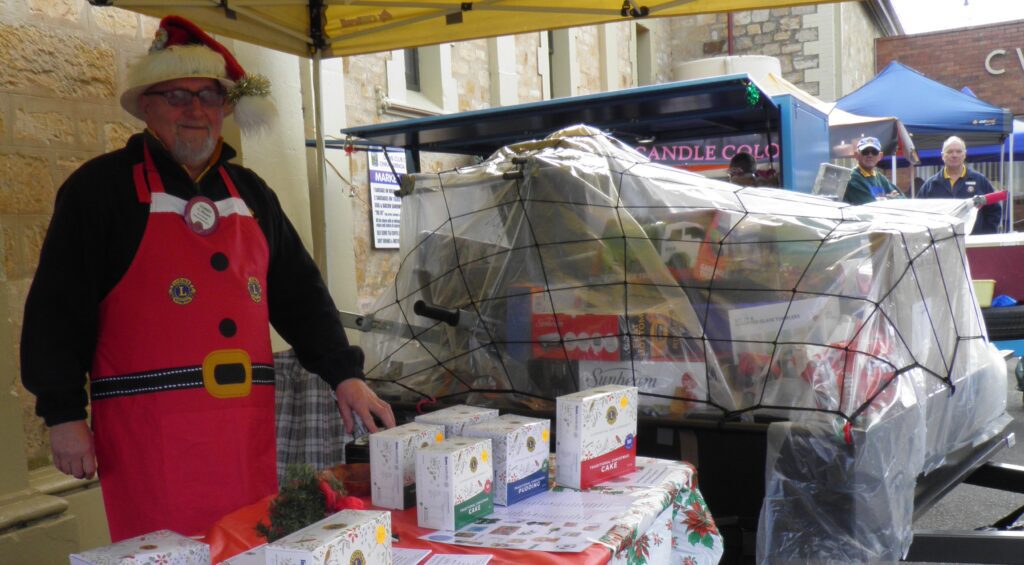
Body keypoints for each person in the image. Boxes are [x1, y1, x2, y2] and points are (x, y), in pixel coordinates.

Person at [19, 15, 395, 542]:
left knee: (245, 544)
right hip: (148, 436)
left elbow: (301, 296)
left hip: (244, 432)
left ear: (226, 109)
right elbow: (58, 311)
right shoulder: (99, 191)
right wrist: (62, 414)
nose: (195, 111)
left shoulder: (252, 193)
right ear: (146, 105)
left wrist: (345, 374)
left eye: (208, 96)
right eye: (176, 96)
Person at [918, 136, 1001, 234]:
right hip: (941, 244)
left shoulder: (980, 181)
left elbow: (994, 210)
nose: (954, 155)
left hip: (973, 243)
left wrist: (985, 235)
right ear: (942, 155)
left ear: (964, 154)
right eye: (949, 151)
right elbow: (919, 215)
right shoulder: (930, 185)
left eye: (958, 151)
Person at [843, 136, 902, 205]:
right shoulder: (852, 178)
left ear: (880, 156)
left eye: (874, 152)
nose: (870, 155)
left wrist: (884, 199)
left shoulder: (880, 177)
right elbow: (869, 204)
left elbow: (902, 199)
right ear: (856, 155)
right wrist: (889, 198)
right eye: (865, 152)